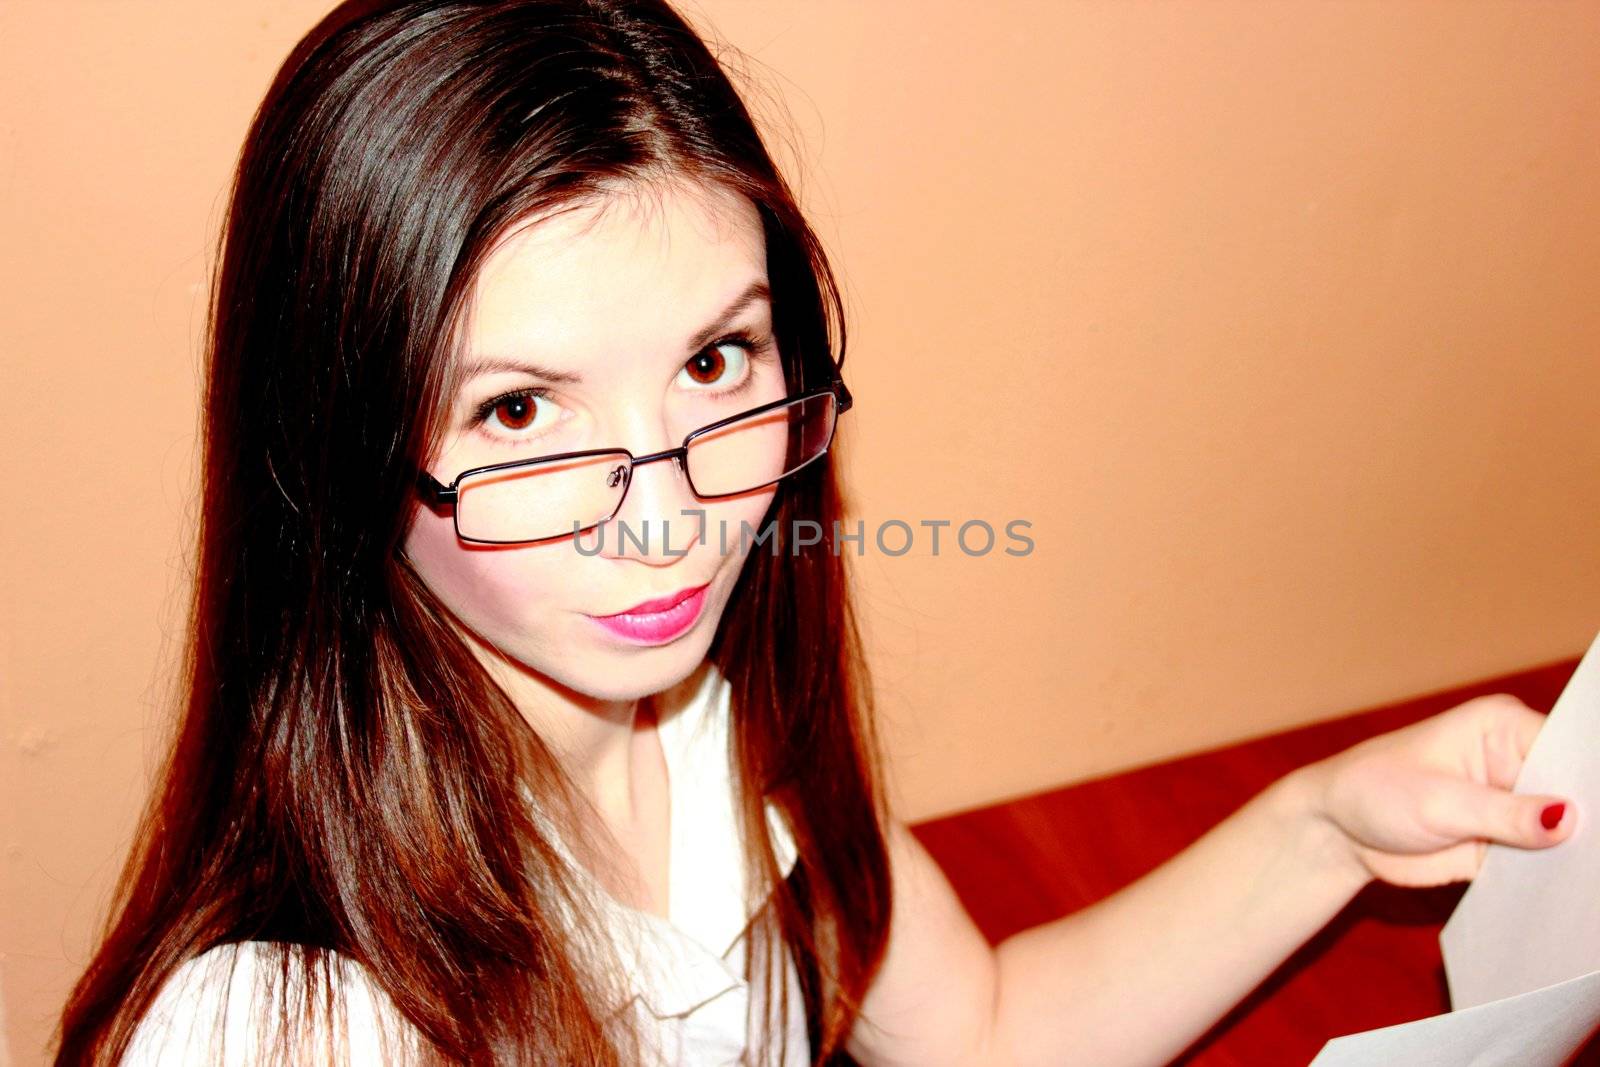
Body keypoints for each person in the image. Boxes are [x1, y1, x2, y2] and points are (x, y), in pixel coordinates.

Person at [53, 1, 1579, 1064]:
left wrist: (1323, 828)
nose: (671, 523)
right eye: (519, 412)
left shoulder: (698, 719)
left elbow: (977, 1031)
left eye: (718, 361)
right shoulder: (300, 1030)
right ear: (329, 454)